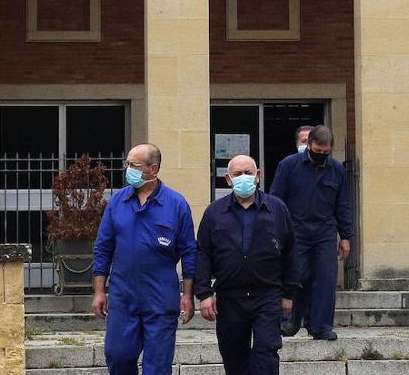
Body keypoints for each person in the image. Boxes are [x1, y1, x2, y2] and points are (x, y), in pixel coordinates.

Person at [92, 143, 197, 375]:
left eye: (135, 165)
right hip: (123, 297)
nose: (128, 169)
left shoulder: (176, 205)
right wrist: (99, 291)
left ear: (154, 169)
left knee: (157, 367)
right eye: (127, 164)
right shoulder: (117, 203)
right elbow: (103, 249)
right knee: (118, 357)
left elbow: (189, 252)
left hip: (160, 298)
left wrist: (188, 295)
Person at [195, 155, 299, 375]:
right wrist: (204, 293)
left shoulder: (277, 209)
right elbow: (202, 253)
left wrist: (288, 293)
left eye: (248, 173)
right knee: (234, 357)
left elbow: (291, 253)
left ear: (258, 176)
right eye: (237, 174)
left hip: (267, 296)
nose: (244, 178)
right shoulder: (214, 212)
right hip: (230, 297)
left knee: (266, 355)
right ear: (228, 179)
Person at [269, 123, 352, 341]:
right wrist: (277, 232)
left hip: (324, 230)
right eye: (317, 152)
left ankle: (321, 326)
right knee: (296, 276)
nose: (321, 156)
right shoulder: (288, 166)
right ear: (309, 146)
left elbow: (343, 204)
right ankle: (290, 322)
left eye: (326, 153)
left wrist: (345, 236)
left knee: (325, 278)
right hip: (295, 229)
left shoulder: (337, 170)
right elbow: (276, 200)